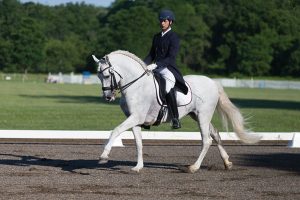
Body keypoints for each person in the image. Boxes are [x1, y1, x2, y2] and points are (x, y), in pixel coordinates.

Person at [144, 9, 188, 129]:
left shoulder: (174, 37)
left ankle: (175, 118)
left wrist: (156, 64)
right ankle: (147, 116)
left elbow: (171, 57)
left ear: (170, 22)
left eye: (164, 21)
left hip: (167, 68)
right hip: (156, 67)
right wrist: (142, 64)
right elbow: (151, 55)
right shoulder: (156, 37)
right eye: (161, 21)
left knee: (168, 87)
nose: (162, 23)